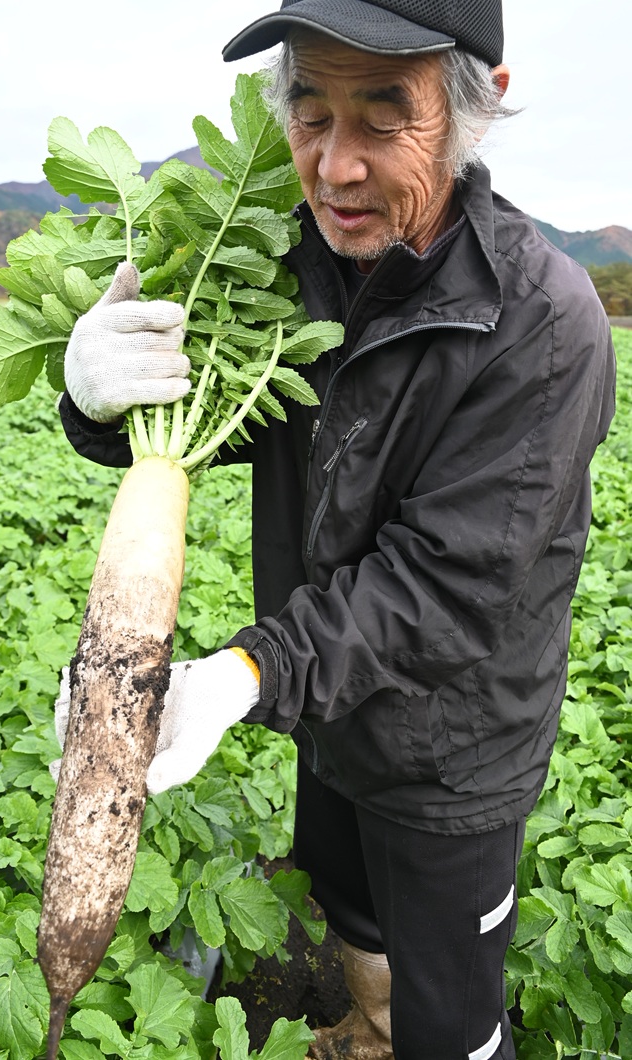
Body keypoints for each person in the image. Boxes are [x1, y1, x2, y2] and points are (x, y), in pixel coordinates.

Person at [56, 2, 616, 1057]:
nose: (335, 166)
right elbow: (207, 429)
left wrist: (236, 675)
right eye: (310, 113)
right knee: (352, 909)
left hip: (456, 753)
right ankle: (366, 1027)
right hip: (327, 716)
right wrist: (95, 399)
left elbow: (442, 588)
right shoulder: (289, 274)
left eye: (381, 116)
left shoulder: (543, 322)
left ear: (473, 109)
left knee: (450, 1004)